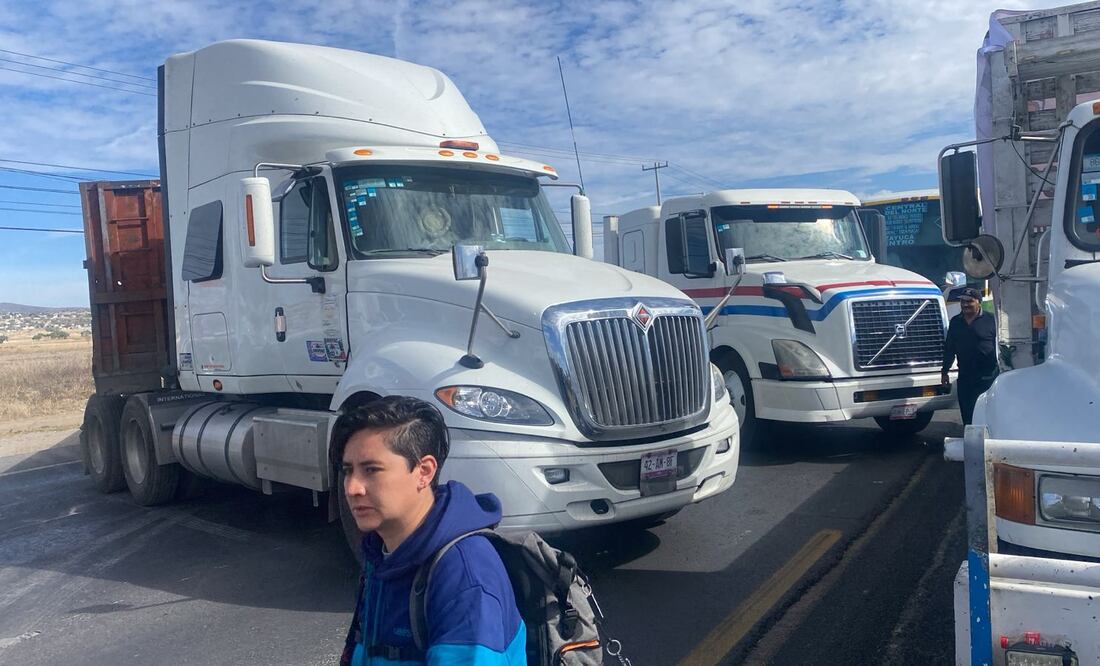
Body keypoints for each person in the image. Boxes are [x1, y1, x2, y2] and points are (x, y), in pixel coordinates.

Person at [333, 395, 526, 665]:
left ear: (424, 472)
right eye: (348, 471)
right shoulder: (381, 551)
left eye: (372, 470)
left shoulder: (464, 574)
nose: (353, 488)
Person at [941, 287, 998, 425]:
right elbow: (949, 348)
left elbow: (1000, 346)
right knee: (968, 415)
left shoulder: (991, 320)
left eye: (969, 301)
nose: (965, 305)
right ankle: (969, 437)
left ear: (979, 302)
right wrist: (944, 371)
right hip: (965, 377)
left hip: (988, 377)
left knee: (988, 414)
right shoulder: (955, 322)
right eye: (963, 302)